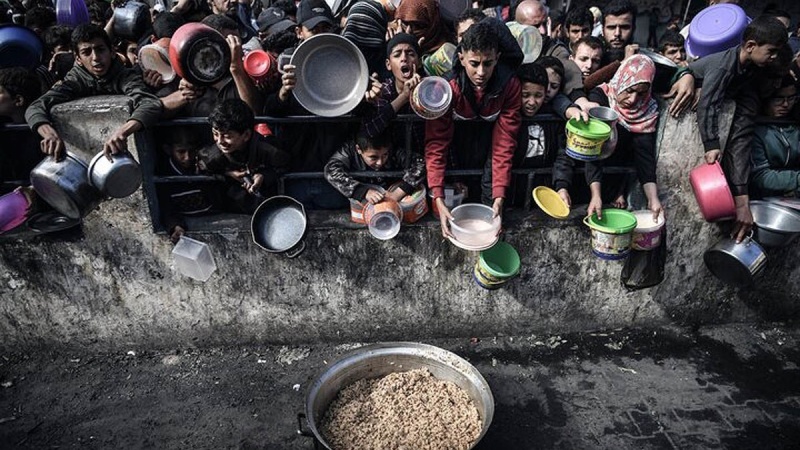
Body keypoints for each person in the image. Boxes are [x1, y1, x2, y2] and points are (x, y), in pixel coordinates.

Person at [687, 16, 788, 242]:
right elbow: (708, 103)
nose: (773, 58)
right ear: (750, 46)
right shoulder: (723, 65)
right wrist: (711, 143)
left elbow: (742, 131)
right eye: (771, 51)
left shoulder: (750, 72)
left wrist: (742, 197)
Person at [425, 19, 522, 237]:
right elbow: (437, 143)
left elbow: (505, 142)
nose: (481, 72)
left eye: (488, 63)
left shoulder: (510, 86)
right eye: (474, 63)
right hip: (455, 152)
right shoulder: (448, 88)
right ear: (461, 58)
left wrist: (499, 197)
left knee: (493, 217)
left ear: (497, 58)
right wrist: (438, 198)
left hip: (489, 153)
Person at [24, 24, 162, 160]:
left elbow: (149, 103)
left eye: (100, 49)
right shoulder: (73, 81)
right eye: (86, 52)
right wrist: (48, 134)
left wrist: (122, 132)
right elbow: (35, 107)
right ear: (78, 59)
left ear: (112, 52)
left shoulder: (126, 77)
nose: (95, 57)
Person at [585, 55, 663, 220]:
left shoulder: (646, 111)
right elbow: (593, 151)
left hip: (617, 181)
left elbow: (644, 158)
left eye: (641, 93)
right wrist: (595, 195)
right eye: (629, 90)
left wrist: (653, 198)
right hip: (587, 179)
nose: (633, 99)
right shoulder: (600, 98)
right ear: (622, 81)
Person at [198, 99, 290, 213]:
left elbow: (285, 165)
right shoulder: (213, 156)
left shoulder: (269, 150)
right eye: (215, 134)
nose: (220, 141)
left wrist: (263, 176)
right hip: (228, 212)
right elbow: (201, 169)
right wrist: (228, 174)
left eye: (227, 136)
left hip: (268, 209)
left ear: (246, 135)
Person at [156, 126, 222, 243]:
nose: (187, 157)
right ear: (168, 150)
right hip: (189, 222)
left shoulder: (204, 165)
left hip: (215, 217)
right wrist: (175, 226)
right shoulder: (164, 174)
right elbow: (166, 208)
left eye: (191, 151)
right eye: (181, 152)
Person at [361, 33, 423, 154]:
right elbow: (369, 131)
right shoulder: (382, 92)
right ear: (388, 65)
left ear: (419, 62)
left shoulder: (430, 87)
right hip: (396, 164)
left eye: (410, 54)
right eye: (397, 54)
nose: (404, 58)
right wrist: (403, 98)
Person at [324, 130, 426, 204]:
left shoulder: (394, 151)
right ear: (358, 149)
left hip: (392, 194)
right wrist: (362, 191)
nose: (380, 162)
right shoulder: (349, 150)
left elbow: (421, 163)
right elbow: (330, 170)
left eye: (385, 155)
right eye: (373, 157)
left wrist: (398, 193)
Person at [750, 76, 800, 198]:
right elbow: (761, 176)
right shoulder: (755, 131)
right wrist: (797, 179)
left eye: (791, 98)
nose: (786, 104)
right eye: (779, 99)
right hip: (764, 199)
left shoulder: (795, 126)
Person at [601, 0, 638, 64]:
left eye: (624, 27)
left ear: (633, 29)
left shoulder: (644, 60)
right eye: (611, 27)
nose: (617, 33)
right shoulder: (592, 59)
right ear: (602, 30)